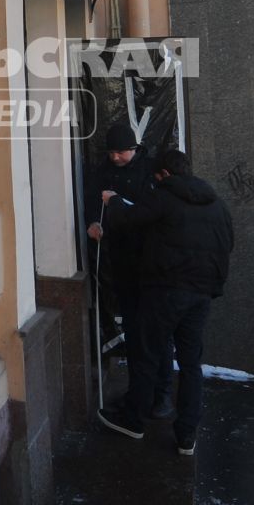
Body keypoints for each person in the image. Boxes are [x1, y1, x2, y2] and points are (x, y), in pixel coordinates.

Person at [100, 149, 234, 456]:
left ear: (163, 175)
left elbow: (128, 220)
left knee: (147, 354)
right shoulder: (216, 203)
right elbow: (229, 243)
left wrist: (114, 200)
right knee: (190, 364)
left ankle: (133, 420)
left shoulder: (163, 197)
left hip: (164, 291)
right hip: (202, 294)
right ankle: (187, 435)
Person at [85, 124, 174, 420]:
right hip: (121, 263)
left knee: (156, 336)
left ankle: (162, 395)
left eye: (120, 152)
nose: (115, 157)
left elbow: (152, 214)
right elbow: (91, 202)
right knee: (135, 336)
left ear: (134, 149)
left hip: (150, 266)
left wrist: (118, 205)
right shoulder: (104, 171)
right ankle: (138, 394)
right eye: (111, 152)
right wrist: (93, 223)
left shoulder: (150, 173)